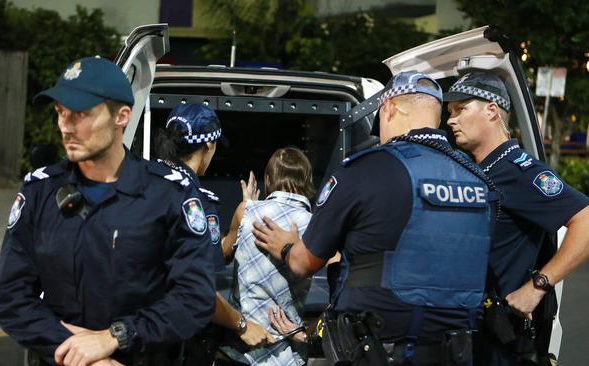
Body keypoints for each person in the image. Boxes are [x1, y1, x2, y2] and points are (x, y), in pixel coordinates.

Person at [252, 71, 497, 366]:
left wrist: (287, 246)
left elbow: (304, 263)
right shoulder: (478, 180)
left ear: (388, 108)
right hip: (457, 351)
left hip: (380, 350)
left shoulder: (365, 170)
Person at [0, 57, 217, 366]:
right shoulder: (39, 191)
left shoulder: (167, 194)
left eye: (82, 114)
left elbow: (194, 298)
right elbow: (12, 298)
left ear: (121, 116)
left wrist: (115, 337)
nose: (66, 126)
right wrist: (83, 354)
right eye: (61, 112)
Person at [444, 72, 589, 365]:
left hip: (499, 338)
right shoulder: (478, 171)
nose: (450, 120)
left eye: (460, 109)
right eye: (449, 112)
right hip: (466, 332)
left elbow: (585, 220)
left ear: (492, 110)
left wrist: (537, 286)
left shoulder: (518, 170)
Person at [153, 103, 274, 365]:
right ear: (208, 146)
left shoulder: (142, 179)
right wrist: (242, 325)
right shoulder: (194, 200)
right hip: (172, 340)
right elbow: (198, 288)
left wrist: (237, 225)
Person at [220, 147, 316, 366]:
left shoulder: (246, 211)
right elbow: (345, 279)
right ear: (307, 179)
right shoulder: (314, 225)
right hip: (288, 354)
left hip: (240, 349)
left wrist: (247, 208)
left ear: (269, 178)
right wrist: (306, 332)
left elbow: (221, 255)